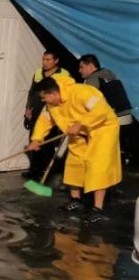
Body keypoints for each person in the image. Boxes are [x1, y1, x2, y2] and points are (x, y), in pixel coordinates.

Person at [28, 77, 121, 223]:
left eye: (43, 97)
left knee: (97, 166)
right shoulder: (52, 105)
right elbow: (44, 120)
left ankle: (97, 208)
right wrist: (36, 139)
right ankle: (75, 199)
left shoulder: (81, 92)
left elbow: (101, 110)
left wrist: (80, 123)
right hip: (78, 133)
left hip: (102, 129)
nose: (43, 101)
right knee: (74, 164)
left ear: (53, 93)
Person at [23, 50, 74, 180]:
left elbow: (64, 93)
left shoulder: (64, 74)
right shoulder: (38, 72)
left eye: (48, 60)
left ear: (56, 61)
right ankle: (34, 169)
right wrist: (28, 107)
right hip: (38, 110)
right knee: (35, 139)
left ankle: (47, 169)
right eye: (44, 59)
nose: (45, 62)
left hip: (54, 112)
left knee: (49, 141)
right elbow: (32, 91)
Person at [78, 54, 134, 164]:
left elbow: (90, 104)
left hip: (114, 119)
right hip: (127, 117)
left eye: (81, 67)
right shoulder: (109, 74)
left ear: (90, 66)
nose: (79, 70)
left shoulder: (93, 79)